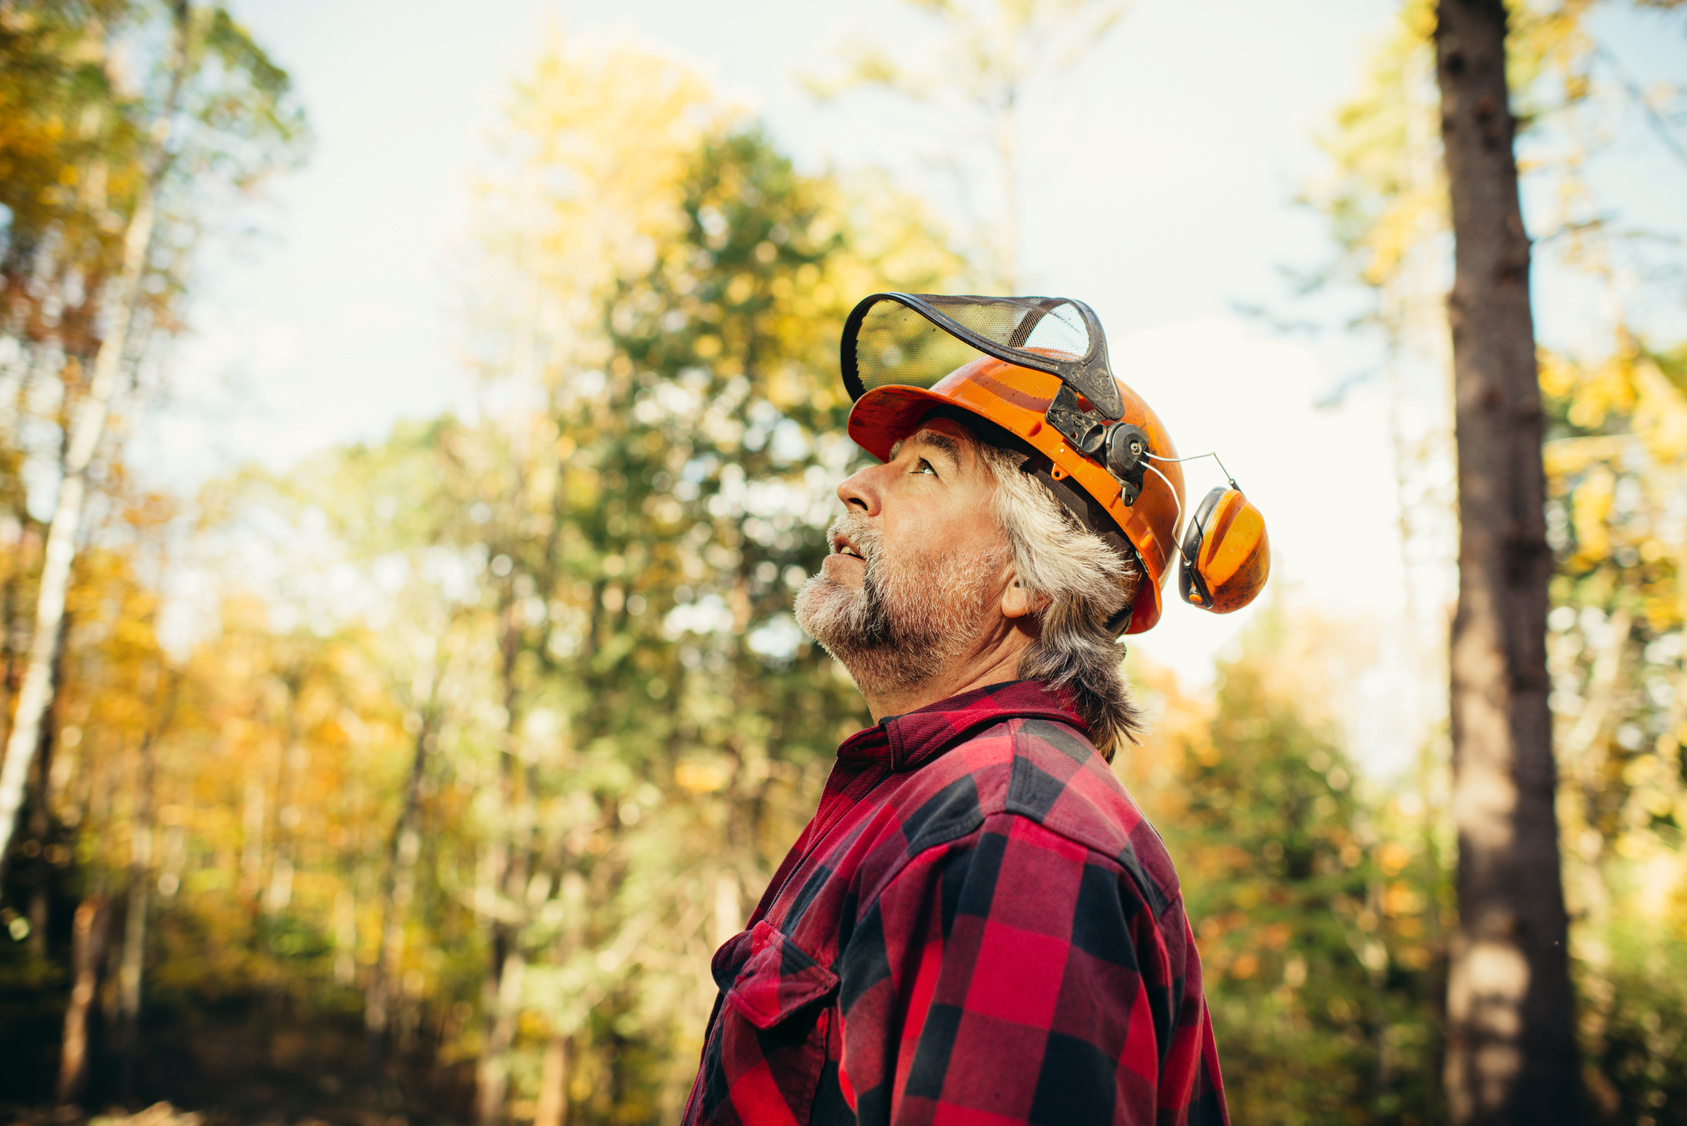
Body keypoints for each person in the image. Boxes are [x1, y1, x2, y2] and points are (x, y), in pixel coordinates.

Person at [680, 294, 1268, 1126]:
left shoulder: (1013, 834)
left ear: (1031, 579)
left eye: (925, 467)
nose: (853, 485)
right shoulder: (931, 801)